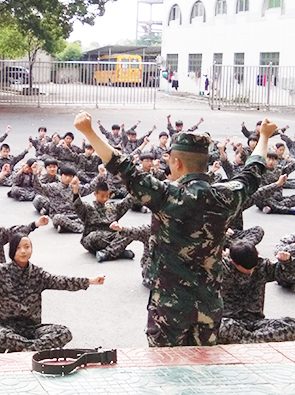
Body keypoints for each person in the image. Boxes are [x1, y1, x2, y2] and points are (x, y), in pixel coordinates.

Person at [73, 111, 274, 347]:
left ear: (176, 162)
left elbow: (123, 167)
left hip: (170, 307)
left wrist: (88, 131)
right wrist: (264, 137)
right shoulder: (226, 196)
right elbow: (253, 172)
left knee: (164, 369)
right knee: (202, 367)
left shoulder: (166, 195)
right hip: (208, 305)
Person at [0, 234, 104, 352]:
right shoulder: (2, 271)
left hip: (31, 328)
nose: (23, 251)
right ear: (13, 251)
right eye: (19, 248)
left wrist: (90, 281)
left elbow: (61, 281)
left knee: (63, 333)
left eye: (27, 247)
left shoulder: (37, 274)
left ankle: (25, 349)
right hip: (6, 327)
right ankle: (36, 349)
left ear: (31, 250)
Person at [219, 234, 295, 344]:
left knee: (291, 325)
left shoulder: (262, 265)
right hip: (231, 321)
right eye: (245, 269)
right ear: (233, 262)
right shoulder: (221, 267)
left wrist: (287, 262)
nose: (250, 271)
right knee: (222, 328)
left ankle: (249, 339)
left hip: (256, 322)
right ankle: (258, 340)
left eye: (253, 267)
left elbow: (288, 277)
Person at [73, 180, 136, 262]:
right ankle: (118, 251)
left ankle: (106, 253)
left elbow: (126, 202)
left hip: (111, 236)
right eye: (102, 196)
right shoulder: (89, 207)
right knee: (95, 237)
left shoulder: (113, 206)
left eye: (107, 196)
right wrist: (75, 191)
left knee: (130, 233)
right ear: (95, 194)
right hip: (94, 238)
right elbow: (78, 206)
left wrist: (135, 189)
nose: (105, 198)